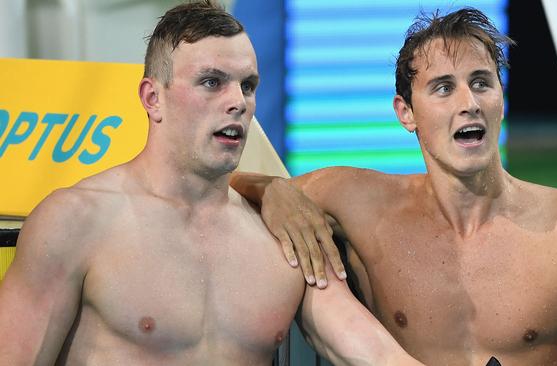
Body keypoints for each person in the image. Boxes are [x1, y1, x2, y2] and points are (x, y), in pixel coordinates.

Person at [0, 2, 423, 365]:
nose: (238, 101)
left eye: (248, 85)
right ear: (153, 98)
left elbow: (375, 354)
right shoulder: (76, 222)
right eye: (211, 82)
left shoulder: (281, 235)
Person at [230, 7, 557, 365]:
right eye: (444, 88)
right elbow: (207, 186)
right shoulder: (356, 200)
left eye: (482, 82)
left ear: (501, 97)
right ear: (406, 113)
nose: (469, 102)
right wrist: (271, 190)